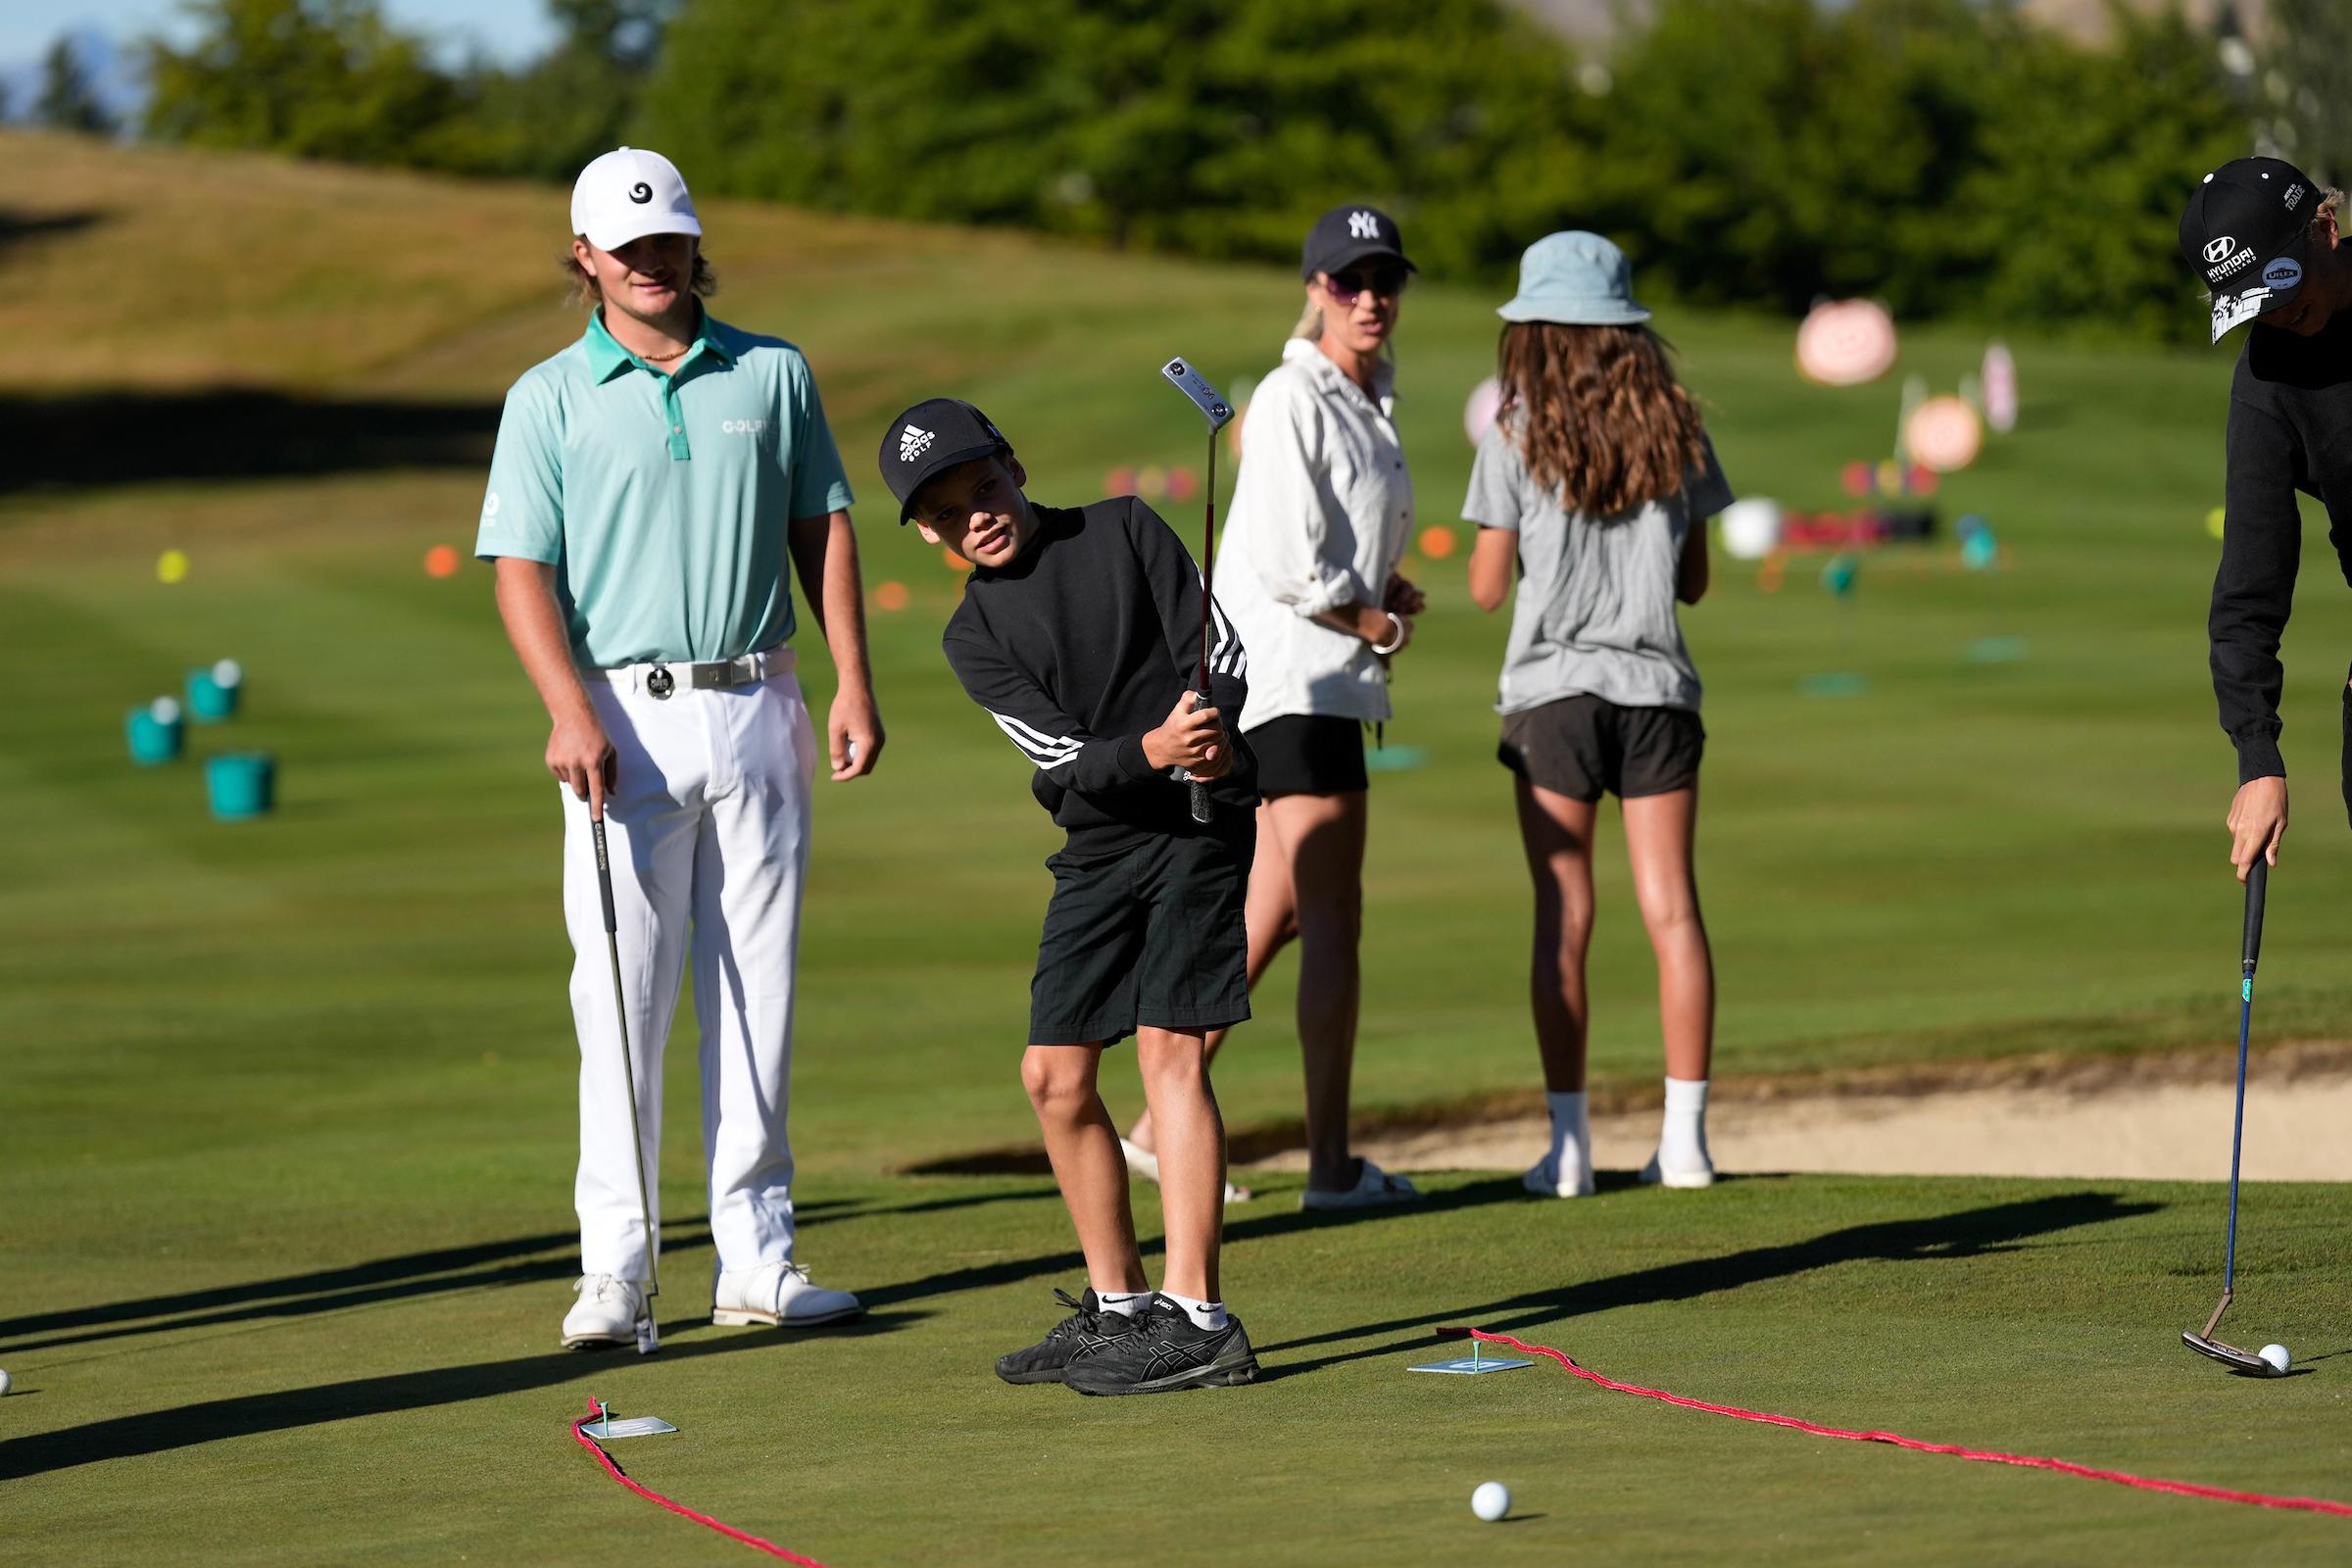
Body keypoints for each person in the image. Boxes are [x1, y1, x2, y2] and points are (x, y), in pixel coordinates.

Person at [478, 147, 882, 1349]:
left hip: (760, 700)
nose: (655, 263)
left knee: (757, 992)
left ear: (694, 245)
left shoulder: (772, 371)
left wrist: (853, 677)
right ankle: (618, 1267)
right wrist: (566, 706)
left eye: (671, 242)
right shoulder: (547, 396)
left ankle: (757, 1258)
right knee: (622, 999)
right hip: (619, 720)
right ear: (586, 257)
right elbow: (520, 571)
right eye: (629, 245)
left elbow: (826, 526)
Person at [883, 396, 1260, 1395]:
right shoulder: (974, 636)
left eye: (986, 485)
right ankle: (1123, 1308)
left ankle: (1199, 1318)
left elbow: (1219, 651)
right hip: (1101, 844)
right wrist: (1151, 747)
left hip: (1199, 822)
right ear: (927, 533)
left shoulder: (1126, 526)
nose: (979, 514)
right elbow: (1062, 760)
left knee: (1171, 1056)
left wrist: (1211, 729)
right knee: (1054, 1076)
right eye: (951, 510)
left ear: (1014, 461)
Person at [1126, 203, 1425, 1211]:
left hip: (1317, 673)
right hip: (1298, 678)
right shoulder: (1298, 394)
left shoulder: (1369, 392)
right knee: (1333, 912)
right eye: (1350, 281)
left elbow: (1337, 541)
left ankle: (1155, 1123)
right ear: (1316, 291)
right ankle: (1332, 1169)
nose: (1371, 297)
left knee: (1285, 909)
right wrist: (1374, 620)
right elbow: (1294, 562)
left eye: (1385, 278)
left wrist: (1384, 589)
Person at [1461, 231, 1731, 1198]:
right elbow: (1693, 582)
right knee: (1673, 909)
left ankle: (1568, 1149)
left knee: (1564, 915)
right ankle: (1688, 1143)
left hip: (1553, 699)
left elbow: (1488, 590)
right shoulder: (1680, 428)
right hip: (1657, 690)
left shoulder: (1515, 430)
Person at [2180, 156, 2352, 883]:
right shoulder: (2267, 382)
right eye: (2253, 300)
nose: (2277, 311)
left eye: (2280, 279)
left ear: (2327, 228)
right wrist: (2258, 756)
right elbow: (2250, 585)